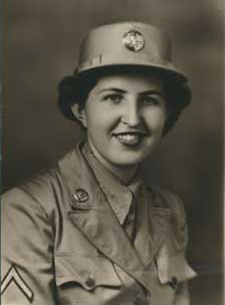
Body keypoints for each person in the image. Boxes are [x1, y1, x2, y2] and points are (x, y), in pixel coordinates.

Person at [1, 21, 197, 305]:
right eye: (114, 97)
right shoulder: (25, 212)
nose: (133, 119)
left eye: (150, 100)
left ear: (168, 113)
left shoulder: (170, 210)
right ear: (80, 110)